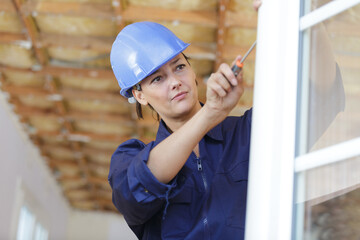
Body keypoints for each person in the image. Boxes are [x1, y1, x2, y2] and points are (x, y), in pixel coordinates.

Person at [108, 21, 250, 239]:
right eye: (157, 78)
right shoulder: (127, 158)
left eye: (179, 67)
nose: (175, 81)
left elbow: (318, 96)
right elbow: (138, 188)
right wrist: (210, 114)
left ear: (192, 72)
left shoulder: (245, 133)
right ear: (140, 96)